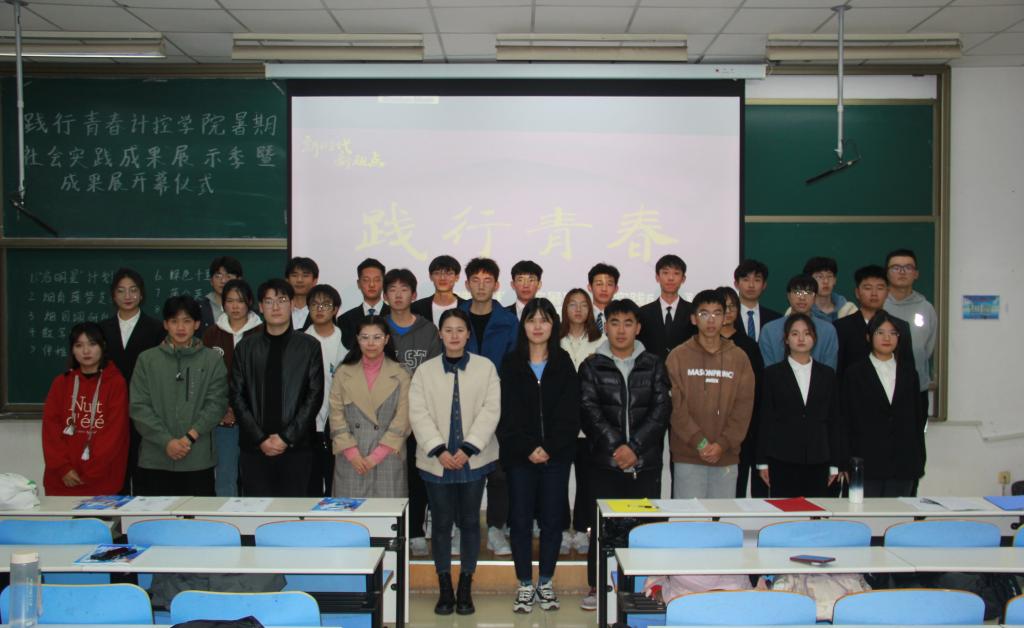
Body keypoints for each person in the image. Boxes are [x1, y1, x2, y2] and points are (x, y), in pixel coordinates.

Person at [578, 299, 671, 611]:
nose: (621, 330)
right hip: (605, 463)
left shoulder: (653, 364)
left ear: (638, 328)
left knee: (643, 529)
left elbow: (661, 410)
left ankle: (643, 587)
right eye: (615, 323)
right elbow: (589, 411)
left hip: (644, 464)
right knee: (603, 529)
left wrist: (635, 448)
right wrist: (618, 447)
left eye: (628, 323)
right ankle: (598, 585)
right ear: (606, 326)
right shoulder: (591, 365)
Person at [409, 309, 501, 616]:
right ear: (440, 334)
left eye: (460, 330)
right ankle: (444, 587)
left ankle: (465, 586)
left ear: (468, 334)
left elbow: (491, 409)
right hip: (437, 460)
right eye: (448, 330)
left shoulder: (485, 368)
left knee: (471, 522)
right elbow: (418, 412)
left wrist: (469, 447)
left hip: (473, 459)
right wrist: (438, 449)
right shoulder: (425, 371)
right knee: (441, 524)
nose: (454, 335)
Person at [498, 298, 580, 613]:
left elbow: (570, 414)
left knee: (552, 521)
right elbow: (507, 414)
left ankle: (545, 582)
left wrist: (549, 448)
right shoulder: (510, 363)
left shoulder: (564, 363)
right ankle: (524, 584)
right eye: (531, 320)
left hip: (556, 457)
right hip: (520, 456)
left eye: (544, 320)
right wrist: (528, 447)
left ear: (553, 326)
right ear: (523, 325)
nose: (537, 326)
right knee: (519, 521)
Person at [230, 279, 325, 497]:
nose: (275, 307)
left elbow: (314, 396)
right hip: (254, 449)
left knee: (293, 512)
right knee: (257, 511)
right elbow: (236, 396)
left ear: (291, 304)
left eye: (281, 300)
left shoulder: (309, 346)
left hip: (297, 448)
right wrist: (260, 439)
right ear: (260, 307)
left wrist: (286, 438)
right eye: (269, 301)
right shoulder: (245, 347)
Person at [129, 295, 228, 496]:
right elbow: (139, 407)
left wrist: (188, 438)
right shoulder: (147, 360)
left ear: (197, 324)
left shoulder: (212, 360)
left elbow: (217, 403)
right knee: (155, 516)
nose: (180, 328)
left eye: (187, 321)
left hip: (197, 458)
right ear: (166, 324)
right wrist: (166, 441)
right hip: (155, 458)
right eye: (174, 321)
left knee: (197, 516)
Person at [665, 290, 755, 499]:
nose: (711, 320)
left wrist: (722, 444)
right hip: (688, 455)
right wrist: (701, 443)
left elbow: (743, 408)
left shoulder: (739, 358)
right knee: (689, 517)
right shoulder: (677, 356)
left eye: (717, 313)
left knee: (721, 518)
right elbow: (675, 407)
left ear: (725, 318)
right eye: (704, 314)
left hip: (726, 456)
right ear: (693, 319)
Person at [459, 257, 518, 556]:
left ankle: (496, 528)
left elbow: (514, 366)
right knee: (462, 469)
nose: (481, 286)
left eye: (487, 281)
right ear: (466, 284)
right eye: (475, 280)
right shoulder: (456, 317)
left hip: (499, 407)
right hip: (460, 405)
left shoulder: (509, 321)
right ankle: (461, 527)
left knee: (498, 472)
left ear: (496, 285)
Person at [384, 268, 442, 556]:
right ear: (385, 296)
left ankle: (417, 530)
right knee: (390, 475)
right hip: (386, 418)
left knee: (419, 475)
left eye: (404, 289)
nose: (398, 295)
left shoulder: (428, 330)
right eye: (392, 290)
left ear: (414, 295)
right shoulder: (378, 328)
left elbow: (433, 375)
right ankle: (391, 528)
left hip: (421, 416)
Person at [756, 313, 842, 498]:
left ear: (814, 338)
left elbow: (835, 420)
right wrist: (762, 461)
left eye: (807, 333)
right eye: (795, 334)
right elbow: (765, 419)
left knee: (817, 511)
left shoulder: (827, 375)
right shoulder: (772, 374)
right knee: (786, 511)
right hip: (781, 458)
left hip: (819, 457)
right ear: (786, 339)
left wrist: (835, 463)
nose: (801, 338)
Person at [842, 311, 925, 497]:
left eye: (893, 333)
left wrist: (919, 461)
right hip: (866, 463)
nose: (887, 338)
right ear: (869, 337)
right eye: (880, 332)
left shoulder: (909, 374)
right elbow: (846, 420)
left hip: (903, 464)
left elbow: (917, 420)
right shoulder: (854, 374)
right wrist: (845, 461)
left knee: (899, 513)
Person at [42, 322, 129, 496]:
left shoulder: (115, 383)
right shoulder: (61, 383)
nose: (86, 351)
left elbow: (114, 433)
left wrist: (90, 471)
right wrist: (63, 468)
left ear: (103, 346)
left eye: (92, 344)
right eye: (79, 345)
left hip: (102, 479)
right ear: (72, 350)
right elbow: (51, 430)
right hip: (64, 479)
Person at [98, 267, 164, 494]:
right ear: (113, 295)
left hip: (146, 410)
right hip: (110, 411)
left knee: (145, 473)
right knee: (115, 473)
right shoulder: (101, 330)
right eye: (121, 291)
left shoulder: (157, 328)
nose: (128, 296)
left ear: (141, 294)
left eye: (133, 290)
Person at [330, 316, 411, 498]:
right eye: (365, 337)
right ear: (357, 339)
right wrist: (352, 453)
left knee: (387, 514)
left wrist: (376, 456)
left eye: (377, 337)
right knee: (350, 515)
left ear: (386, 339)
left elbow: (404, 419)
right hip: (351, 458)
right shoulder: (343, 372)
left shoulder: (401, 373)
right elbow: (336, 416)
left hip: (388, 457)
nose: (371, 343)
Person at [201, 279, 263, 497]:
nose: (235, 306)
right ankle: (226, 518)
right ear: (223, 303)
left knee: (254, 476)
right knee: (225, 476)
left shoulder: (261, 332)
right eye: (229, 301)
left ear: (250, 302)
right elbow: (205, 378)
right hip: (223, 419)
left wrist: (244, 410)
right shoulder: (211, 334)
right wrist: (222, 409)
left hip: (255, 418)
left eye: (240, 301)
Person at [558, 288, 603, 554]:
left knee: (588, 482)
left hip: (590, 426)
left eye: (583, 305)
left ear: (590, 310)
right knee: (558, 481)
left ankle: (585, 529)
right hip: (561, 424)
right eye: (572, 304)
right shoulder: (555, 340)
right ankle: (563, 529)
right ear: (565, 309)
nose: (578, 309)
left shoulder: (601, 341)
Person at [718, 287, 768, 498]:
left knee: (736, 490)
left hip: (742, 429)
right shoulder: (700, 343)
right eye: (723, 306)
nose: (728, 311)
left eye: (733, 306)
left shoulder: (749, 346)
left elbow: (757, 390)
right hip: (709, 430)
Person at [834, 265, 916, 378]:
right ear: (857, 292)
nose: (874, 293)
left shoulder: (901, 327)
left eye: (880, 288)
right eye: (868, 288)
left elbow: (908, 371)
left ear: (887, 292)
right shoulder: (841, 327)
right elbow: (838, 371)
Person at [305, 284, 347, 497]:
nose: (320, 309)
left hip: (339, 425)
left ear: (336, 309)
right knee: (309, 483)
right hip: (306, 426)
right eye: (314, 304)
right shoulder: (299, 341)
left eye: (326, 304)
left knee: (336, 484)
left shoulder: (347, 341)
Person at [884, 249, 938, 415]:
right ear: (887, 273)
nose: (902, 272)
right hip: (882, 387)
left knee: (915, 432)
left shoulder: (926, 308)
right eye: (896, 267)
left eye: (908, 267)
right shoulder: (878, 305)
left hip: (917, 388)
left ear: (916, 274)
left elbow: (928, 348)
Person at [759, 275, 839, 369]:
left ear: (815, 298)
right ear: (788, 296)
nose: (802, 298)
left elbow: (829, 370)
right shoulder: (769, 330)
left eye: (808, 292)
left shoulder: (828, 330)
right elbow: (768, 370)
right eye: (797, 292)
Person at [638, 254, 695, 360]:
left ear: (683, 279)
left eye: (676, 273)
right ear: (657, 277)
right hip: (651, 368)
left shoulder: (693, 311)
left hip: (685, 367)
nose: (671, 278)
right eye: (665, 273)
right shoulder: (643, 313)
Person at [338, 258, 390, 349]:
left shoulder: (394, 315)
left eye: (377, 280)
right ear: (358, 284)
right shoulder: (345, 320)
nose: (372, 285)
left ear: (384, 283)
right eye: (366, 280)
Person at [732, 259, 781, 343]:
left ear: (764, 285)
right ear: (736, 284)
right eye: (746, 280)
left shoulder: (776, 319)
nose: (751, 285)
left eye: (757, 280)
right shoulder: (727, 317)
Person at [411, 254, 466, 326]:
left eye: (448, 273)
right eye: (437, 273)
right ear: (430, 277)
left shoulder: (467, 307)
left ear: (457, 277)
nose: (442, 278)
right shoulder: (416, 308)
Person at [798, 257, 858, 322]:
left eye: (829, 276)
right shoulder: (798, 310)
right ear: (809, 281)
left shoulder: (849, 310)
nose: (826, 281)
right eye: (819, 277)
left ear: (835, 280)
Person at [197, 256, 243, 334]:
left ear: (239, 280)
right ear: (211, 281)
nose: (223, 281)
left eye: (228, 276)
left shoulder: (248, 310)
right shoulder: (199, 308)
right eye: (218, 276)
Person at [285, 256, 319, 331]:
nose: (299, 280)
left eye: (305, 275)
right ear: (287, 280)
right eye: (294, 275)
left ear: (315, 281)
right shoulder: (279, 310)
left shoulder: (321, 311)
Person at [587, 263, 620, 335]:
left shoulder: (623, 316)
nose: (604, 289)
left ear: (616, 289)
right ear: (589, 287)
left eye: (609, 284)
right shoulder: (583, 315)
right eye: (599, 284)